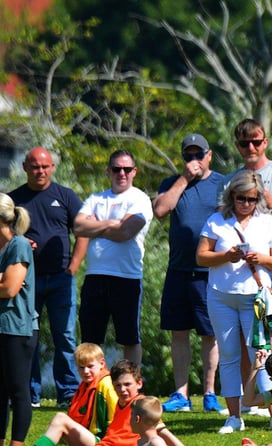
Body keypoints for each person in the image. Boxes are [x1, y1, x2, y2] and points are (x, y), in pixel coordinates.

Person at [0, 360, 201, 446]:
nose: (122, 390)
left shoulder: (141, 406)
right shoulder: (120, 404)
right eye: (118, 386)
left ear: (139, 384)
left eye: (127, 385)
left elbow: (165, 434)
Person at [197, 170, 272, 434]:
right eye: (240, 198)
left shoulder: (267, 222)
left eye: (251, 198)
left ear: (258, 198)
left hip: (255, 297)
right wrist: (227, 255)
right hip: (221, 296)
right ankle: (234, 417)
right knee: (228, 356)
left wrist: (262, 259)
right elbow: (201, 257)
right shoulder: (216, 220)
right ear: (231, 196)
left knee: (261, 355)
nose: (245, 204)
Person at [153, 133, 227, 414]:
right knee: (178, 332)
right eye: (188, 155)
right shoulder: (172, 183)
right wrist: (183, 179)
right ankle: (181, 394)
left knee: (210, 333)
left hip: (209, 269)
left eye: (199, 155)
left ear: (209, 155)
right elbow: (160, 210)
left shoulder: (222, 182)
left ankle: (209, 393)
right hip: (178, 268)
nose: (194, 160)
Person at [9, 147, 85, 408]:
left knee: (64, 336)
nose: (39, 171)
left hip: (61, 279)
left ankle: (68, 393)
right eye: (34, 166)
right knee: (27, 336)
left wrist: (74, 265)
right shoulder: (13, 199)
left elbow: (83, 231)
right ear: (24, 167)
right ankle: (30, 394)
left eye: (44, 166)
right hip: (24, 281)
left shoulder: (65, 196)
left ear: (52, 167)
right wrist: (18, 241)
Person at [74, 150, 154, 365]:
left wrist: (98, 225)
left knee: (129, 337)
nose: (122, 173)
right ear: (108, 171)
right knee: (90, 339)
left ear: (134, 172)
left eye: (127, 169)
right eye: (117, 169)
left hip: (126, 277)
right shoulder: (96, 199)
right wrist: (112, 223)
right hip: (95, 276)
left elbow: (125, 233)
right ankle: (93, 388)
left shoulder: (140, 199)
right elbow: (78, 226)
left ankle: (131, 386)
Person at [1, 342, 117, 446]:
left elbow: (116, 425)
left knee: (61, 419)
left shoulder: (107, 384)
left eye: (90, 366)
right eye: (81, 368)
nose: (86, 371)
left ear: (102, 363)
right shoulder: (86, 385)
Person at [230, 118, 272, 299]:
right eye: (245, 143)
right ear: (238, 146)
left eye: (256, 142)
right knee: (240, 326)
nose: (251, 148)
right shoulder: (230, 181)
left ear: (265, 143)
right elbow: (220, 220)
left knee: (271, 321)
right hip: (237, 264)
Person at [0, 194, 37, 446]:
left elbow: (10, 288)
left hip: (18, 327)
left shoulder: (20, 245)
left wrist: (4, 281)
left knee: (17, 389)